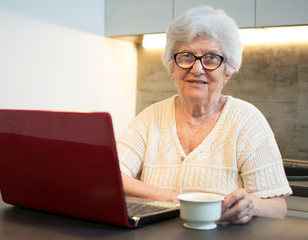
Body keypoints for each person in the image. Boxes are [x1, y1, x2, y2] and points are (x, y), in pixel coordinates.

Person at [116, 6, 292, 224]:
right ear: (172, 69)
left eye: (210, 58)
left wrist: (251, 205)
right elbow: (112, 175)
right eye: (186, 56)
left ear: (227, 72)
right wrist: (175, 200)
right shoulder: (149, 118)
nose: (197, 69)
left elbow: (278, 207)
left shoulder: (248, 121)